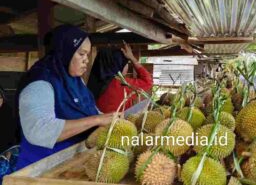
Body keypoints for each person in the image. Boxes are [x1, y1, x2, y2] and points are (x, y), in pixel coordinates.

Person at [15, 25, 114, 170]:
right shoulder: (40, 82)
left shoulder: (74, 79)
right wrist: (97, 120)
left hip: (71, 162)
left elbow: (88, 109)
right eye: (81, 54)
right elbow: (39, 130)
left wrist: (108, 119)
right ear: (65, 52)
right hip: (41, 169)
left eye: (87, 54)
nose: (86, 60)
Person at [87, 43, 152, 113]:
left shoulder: (92, 82)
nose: (127, 66)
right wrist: (132, 58)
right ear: (119, 65)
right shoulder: (121, 84)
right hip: (118, 122)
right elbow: (148, 81)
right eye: (126, 63)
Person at [0, 86, 20, 182]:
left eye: (0, 97)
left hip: (7, 155)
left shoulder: (9, 113)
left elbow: (13, 141)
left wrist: (6, 156)